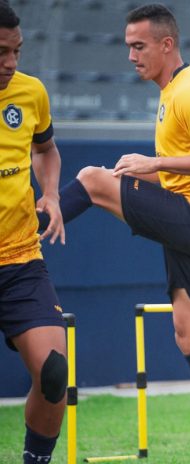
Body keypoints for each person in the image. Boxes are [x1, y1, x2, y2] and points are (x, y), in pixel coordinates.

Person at [37, 5, 190, 463]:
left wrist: (154, 164)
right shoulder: (175, 89)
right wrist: (145, 171)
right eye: (128, 45)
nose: (131, 55)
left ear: (167, 44)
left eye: (139, 46)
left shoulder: (188, 91)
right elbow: (187, 172)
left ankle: (18, 244)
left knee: (91, 179)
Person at [0, 4, 68, 463]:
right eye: (1, 52)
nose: (11, 62)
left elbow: (46, 150)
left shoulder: (30, 93)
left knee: (54, 374)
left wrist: (51, 194)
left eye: (17, 52)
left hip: (21, 260)